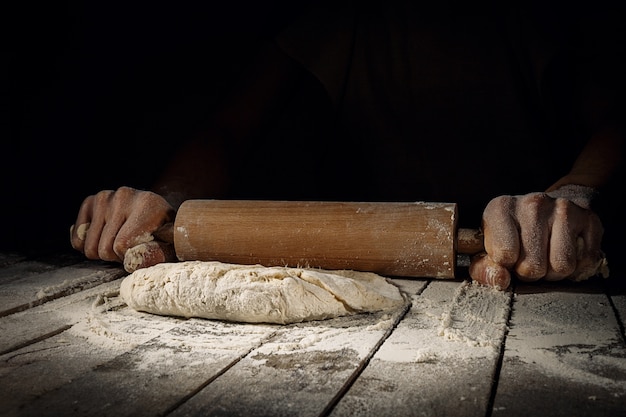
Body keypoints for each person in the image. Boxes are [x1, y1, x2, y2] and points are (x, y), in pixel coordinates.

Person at [69, 0, 623, 290]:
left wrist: (572, 197)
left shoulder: (525, 12)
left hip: (519, 263)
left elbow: (616, 118)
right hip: (364, 271)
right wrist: (164, 201)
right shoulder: (340, 14)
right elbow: (228, 132)